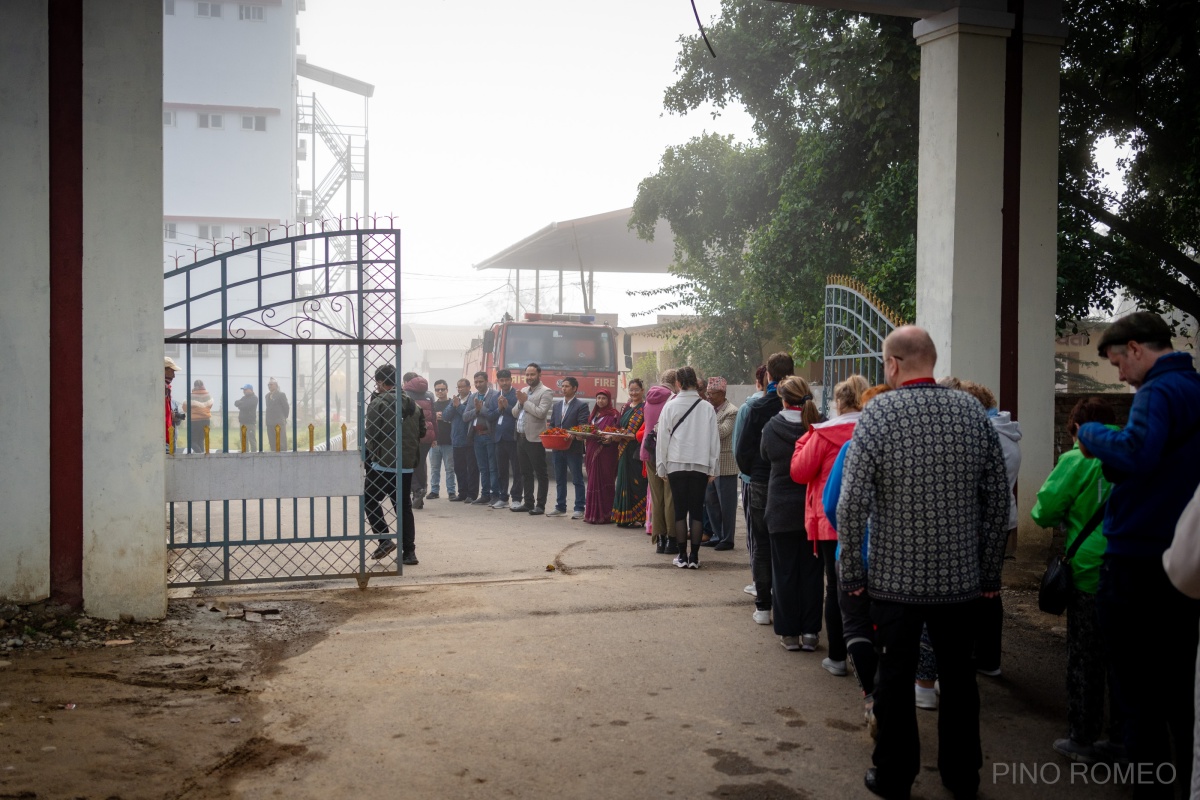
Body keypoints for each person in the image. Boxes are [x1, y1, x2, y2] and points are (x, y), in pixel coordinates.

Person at [837, 325, 1010, 800]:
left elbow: (851, 503)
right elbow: (997, 498)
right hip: (960, 581)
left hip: (895, 580)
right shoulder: (972, 411)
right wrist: (990, 571)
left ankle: (894, 775)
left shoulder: (879, 414)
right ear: (932, 359)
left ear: (891, 364)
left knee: (894, 676)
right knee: (959, 678)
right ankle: (962, 775)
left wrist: (851, 572)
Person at [1077, 311, 1200, 797]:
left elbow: (1136, 451)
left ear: (1134, 348)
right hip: (1184, 555)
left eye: (1116, 363)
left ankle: (1149, 785)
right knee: (1180, 688)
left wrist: (1090, 434)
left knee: (1137, 692)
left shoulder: (1158, 391)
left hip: (1137, 557)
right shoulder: (1194, 388)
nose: (1118, 375)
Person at [1031, 397, 1122, 764]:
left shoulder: (1077, 459)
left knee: (1085, 657)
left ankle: (1082, 737)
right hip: (1131, 565)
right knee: (1125, 658)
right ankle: (1123, 739)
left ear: (1077, 429)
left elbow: (1044, 511)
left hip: (1088, 570)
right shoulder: (1137, 451)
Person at [823, 383, 892, 737]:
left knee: (856, 625)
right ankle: (890, 693)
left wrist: (850, 535)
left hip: (856, 554)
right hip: (898, 560)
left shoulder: (853, 447)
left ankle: (871, 696)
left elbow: (833, 504)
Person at [790, 374, 866, 670]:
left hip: (829, 518)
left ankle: (837, 656)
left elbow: (799, 471)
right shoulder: (876, 430)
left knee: (834, 587)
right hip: (869, 521)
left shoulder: (822, 434)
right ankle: (865, 652)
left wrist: (803, 442)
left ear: (839, 402)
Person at [958, 380, 1022, 677]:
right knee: (989, 588)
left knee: (985, 590)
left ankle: (982, 655)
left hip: (986, 521)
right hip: (1000, 518)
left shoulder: (989, 435)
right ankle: (988, 656)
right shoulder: (1004, 432)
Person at [761, 375, 822, 650]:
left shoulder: (772, 427)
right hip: (812, 509)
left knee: (783, 572)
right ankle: (811, 633)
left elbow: (765, 456)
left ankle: (788, 634)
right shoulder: (818, 426)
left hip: (780, 507)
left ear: (782, 399)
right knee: (811, 573)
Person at [736, 352, 795, 625]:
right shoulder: (805, 407)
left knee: (761, 543)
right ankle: (790, 607)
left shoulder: (759, 408)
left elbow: (743, 450)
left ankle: (763, 606)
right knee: (789, 545)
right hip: (794, 482)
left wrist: (753, 472)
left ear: (768, 375)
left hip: (760, 480)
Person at [656, 366, 720, 568]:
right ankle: (695, 558)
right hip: (700, 464)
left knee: (680, 511)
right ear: (696, 383)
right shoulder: (707, 407)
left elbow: (662, 439)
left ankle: (682, 556)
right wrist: (713, 468)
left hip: (676, 463)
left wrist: (661, 466)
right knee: (697, 511)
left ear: (677, 383)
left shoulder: (670, 406)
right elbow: (714, 440)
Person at [365, 364, 419, 566]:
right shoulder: (413, 404)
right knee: (403, 506)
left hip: (382, 465)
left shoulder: (378, 403)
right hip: (405, 466)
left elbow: (371, 433)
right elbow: (421, 431)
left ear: (380, 382)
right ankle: (409, 553)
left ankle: (384, 540)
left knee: (369, 500)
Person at [733, 365, 767, 596]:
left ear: (757, 382)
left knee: (756, 535)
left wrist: (747, 474)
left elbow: (739, 448)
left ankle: (759, 583)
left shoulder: (749, 407)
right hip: (787, 480)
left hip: (753, 479)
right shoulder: (801, 406)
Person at [642, 369, 678, 553]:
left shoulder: (648, 399)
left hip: (648, 451)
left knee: (656, 498)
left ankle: (659, 540)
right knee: (670, 497)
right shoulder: (673, 400)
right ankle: (672, 540)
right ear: (676, 382)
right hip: (667, 453)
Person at [512, 363, 555, 515]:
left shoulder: (546, 392)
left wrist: (525, 401)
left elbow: (541, 413)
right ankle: (528, 502)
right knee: (525, 472)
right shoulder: (523, 390)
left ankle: (540, 505)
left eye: (532, 374)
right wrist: (519, 402)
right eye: (527, 375)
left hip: (535, 439)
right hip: (521, 437)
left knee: (541, 473)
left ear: (539, 375)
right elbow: (515, 413)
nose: (529, 377)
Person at [702, 377, 739, 551]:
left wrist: (708, 418)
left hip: (725, 465)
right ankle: (717, 535)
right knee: (711, 503)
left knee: (727, 506)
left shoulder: (732, 411)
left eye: (712, 393)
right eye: (707, 393)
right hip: (710, 465)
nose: (708, 397)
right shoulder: (709, 409)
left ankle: (727, 538)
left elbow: (723, 432)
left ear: (722, 393)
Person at [548, 376, 589, 519]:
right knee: (559, 478)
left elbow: (582, 424)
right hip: (557, 447)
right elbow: (553, 424)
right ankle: (560, 507)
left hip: (573, 447)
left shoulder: (581, 405)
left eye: (566, 386)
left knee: (577, 478)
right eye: (562, 386)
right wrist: (553, 433)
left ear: (574, 388)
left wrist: (571, 434)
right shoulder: (557, 406)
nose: (563, 389)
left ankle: (579, 507)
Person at [610, 378, 647, 528]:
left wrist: (634, 436)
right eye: (631, 390)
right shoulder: (625, 407)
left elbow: (647, 429)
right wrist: (615, 435)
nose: (633, 393)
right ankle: (623, 517)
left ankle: (640, 516)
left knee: (637, 483)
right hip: (623, 450)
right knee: (622, 482)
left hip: (636, 451)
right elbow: (618, 426)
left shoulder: (645, 408)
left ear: (642, 391)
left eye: (636, 390)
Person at [463, 371, 500, 507]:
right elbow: (465, 416)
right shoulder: (473, 397)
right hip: (476, 436)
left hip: (489, 435)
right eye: (476, 382)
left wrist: (482, 409)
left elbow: (494, 415)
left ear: (486, 381)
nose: (478, 384)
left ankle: (494, 494)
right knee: (482, 467)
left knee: (492, 467)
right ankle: (484, 494)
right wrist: (477, 411)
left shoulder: (495, 395)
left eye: (481, 381)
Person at [582, 390, 619, 524]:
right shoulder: (594, 414)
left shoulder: (614, 414)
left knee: (604, 480)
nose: (600, 401)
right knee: (592, 480)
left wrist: (609, 438)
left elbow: (617, 432)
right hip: (592, 449)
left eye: (603, 398)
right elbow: (588, 429)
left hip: (606, 452)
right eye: (598, 398)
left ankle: (606, 514)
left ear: (608, 400)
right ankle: (592, 514)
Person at [402, 372, 435, 509]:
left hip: (411, 435)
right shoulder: (429, 395)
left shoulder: (404, 394)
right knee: (420, 465)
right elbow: (433, 417)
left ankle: (417, 490)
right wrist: (435, 436)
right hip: (427, 434)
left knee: (408, 465)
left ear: (406, 382)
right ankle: (419, 498)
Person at [443, 378, 478, 503]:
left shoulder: (473, 399)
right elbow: (446, 416)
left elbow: (468, 416)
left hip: (469, 439)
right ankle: (462, 492)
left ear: (469, 387)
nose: (460, 389)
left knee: (471, 469)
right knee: (459, 468)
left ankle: (472, 494)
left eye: (463, 386)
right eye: (458, 387)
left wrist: (458, 406)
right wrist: (454, 405)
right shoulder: (455, 400)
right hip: (456, 440)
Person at [493, 369, 523, 510]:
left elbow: (520, 414)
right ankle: (502, 497)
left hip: (513, 438)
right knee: (501, 470)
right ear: (498, 382)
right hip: (499, 438)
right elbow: (491, 415)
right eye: (501, 380)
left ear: (511, 380)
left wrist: (507, 407)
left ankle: (516, 498)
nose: (504, 383)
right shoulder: (495, 396)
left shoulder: (517, 395)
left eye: (507, 380)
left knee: (517, 469)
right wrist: (499, 409)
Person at [427, 379, 457, 500]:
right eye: (437, 390)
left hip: (449, 441)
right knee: (434, 468)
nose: (440, 391)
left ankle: (451, 491)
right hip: (435, 442)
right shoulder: (432, 406)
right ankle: (434, 490)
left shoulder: (452, 404)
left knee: (450, 468)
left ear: (447, 390)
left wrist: (444, 417)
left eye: (442, 389)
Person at [164, 357, 185, 453]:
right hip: (163, 438)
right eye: (172, 372)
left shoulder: (166, 388)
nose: (173, 376)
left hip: (168, 436)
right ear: (165, 370)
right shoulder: (161, 388)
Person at [265, 377, 289, 452]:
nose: (269, 386)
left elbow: (286, 407)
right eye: (268, 385)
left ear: (276, 385)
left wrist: (283, 417)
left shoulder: (281, 395)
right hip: (270, 422)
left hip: (279, 421)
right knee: (272, 442)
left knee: (281, 442)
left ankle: (283, 456)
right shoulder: (267, 396)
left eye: (271, 384)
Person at [189, 379, 213, 454]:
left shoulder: (191, 396)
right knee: (200, 440)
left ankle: (200, 454)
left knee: (192, 441)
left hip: (195, 421)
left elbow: (185, 407)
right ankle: (202, 457)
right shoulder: (208, 395)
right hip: (206, 420)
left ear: (194, 386)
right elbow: (210, 405)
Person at [234, 383, 258, 453]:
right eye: (243, 390)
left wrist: (241, 405)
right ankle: (245, 453)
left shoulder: (254, 398)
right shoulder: (244, 398)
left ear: (250, 390)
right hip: (242, 422)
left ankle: (254, 454)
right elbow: (236, 403)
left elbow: (246, 406)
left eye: (245, 390)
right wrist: (242, 404)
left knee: (252, 439)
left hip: (250, 423)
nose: (244, 391)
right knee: (243, 439)